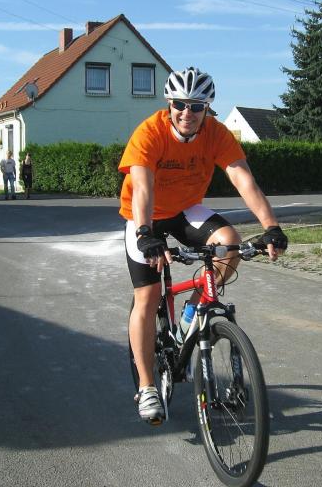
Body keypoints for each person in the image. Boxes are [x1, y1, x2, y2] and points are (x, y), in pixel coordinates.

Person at [119, 67, 288, 425]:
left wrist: (271, 227)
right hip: (144, 215)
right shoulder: (149, 132)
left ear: (207, 108)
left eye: (197, 106)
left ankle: (193, 310)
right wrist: (146, 234)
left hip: (184, 210)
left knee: (230, 242)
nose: (188, 113)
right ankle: (147, 386)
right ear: (169, 103)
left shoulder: (216, 133)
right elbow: (143, 188)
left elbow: (243, 179)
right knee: (147, 297)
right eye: (180, 104)